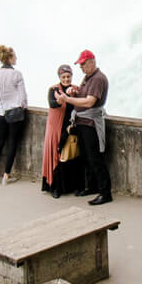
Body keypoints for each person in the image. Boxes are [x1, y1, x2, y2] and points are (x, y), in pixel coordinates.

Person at [57, 50, 111, 206]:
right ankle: (93, 187)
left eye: (83, 64)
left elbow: (89, 102)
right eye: (80, 65)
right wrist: (75, 92)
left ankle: (105, 192)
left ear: (91, 62)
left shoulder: (98, 79)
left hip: (91, 124)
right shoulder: (88, 77)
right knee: (87, 158)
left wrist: (68, 98)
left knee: (95, 158)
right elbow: (83, 96)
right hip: (83, 122)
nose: (81, 68)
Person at [40, 64, 86, 198]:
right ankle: (56, 187)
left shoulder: (76, 89)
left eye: (68, 76)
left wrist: (74, 95)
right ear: (59, 77)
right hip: (56, 128)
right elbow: (52, 104)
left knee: (74, 156)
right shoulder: (53, 89)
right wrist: (63, 97)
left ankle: (75, 186)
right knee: (57, 157)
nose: (66, 79)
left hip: (71, 127)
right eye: (64, 77)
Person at [0, 44, 29, 185]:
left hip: (0, 111)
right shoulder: (16, 74)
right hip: (15, 111)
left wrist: (0, 105)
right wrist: (22, 106)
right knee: (12, 143)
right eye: (15, 56)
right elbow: (23, 95)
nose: (16, 58)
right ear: (10, 58)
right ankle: (6, 175)